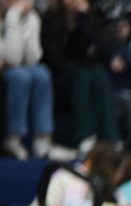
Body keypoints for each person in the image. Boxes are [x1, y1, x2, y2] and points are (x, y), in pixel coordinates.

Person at [41, 0, 120, 152]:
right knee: (82, 75)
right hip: (57, 79)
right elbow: (54, 59)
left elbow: (100, 47)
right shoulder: (50, 19)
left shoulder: (89, 19)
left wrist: (83, 20)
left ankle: (111, 139)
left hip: (82, 74)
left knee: (99, 73)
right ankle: (84, 137)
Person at [0, 0, 65, 160]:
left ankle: (42, 141)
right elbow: (12, 58)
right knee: (20, 76)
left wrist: (29, 23)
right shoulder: (11, 17)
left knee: (42, 73)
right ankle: (13, 138)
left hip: (14, 66)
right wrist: (12, 17)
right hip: (9, 70)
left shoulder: (32, 18)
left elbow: (31, 59)